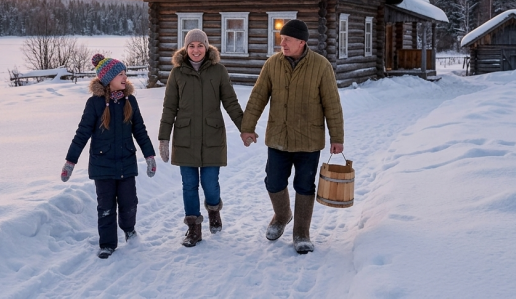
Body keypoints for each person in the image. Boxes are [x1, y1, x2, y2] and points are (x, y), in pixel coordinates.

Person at [240, 19, 344, 254]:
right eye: (281, 39)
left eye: (287, 39)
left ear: (301, 42)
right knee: (273, 181)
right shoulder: (272, 64)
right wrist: (248, 127)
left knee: (304, 185)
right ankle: (282, 214)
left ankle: (301, 233)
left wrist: (336, 137)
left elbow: (332, 105)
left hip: (309, 140)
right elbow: (258, 97)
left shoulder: (321, 66)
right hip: (278, 136)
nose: (282, 43)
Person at [61, 54, 157, 259]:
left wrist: (149, 156)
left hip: (126, 163)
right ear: (108, 78)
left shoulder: (130, 101)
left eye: (125, 73)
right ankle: (107, 243)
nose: (125, 77)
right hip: (102, 165)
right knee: (105, 207)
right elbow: (82, 134)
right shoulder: (94, 104)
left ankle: (129, 229)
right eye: (120, 74)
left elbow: (140, 130)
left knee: (129, 202)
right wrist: (70, 161)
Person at [158, 29, 244, 247]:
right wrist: (163, 138)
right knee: (189, 184)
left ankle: (214, 210)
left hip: (212, 135)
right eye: (191, 46)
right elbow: (169, 108)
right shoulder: (177, 74)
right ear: (185, 49)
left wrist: (245, 128)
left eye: (200, 46)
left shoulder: (219, 71)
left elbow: (231, 103)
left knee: (210, 183)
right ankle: (194, 228)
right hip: (185, 137)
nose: (196, 50)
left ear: (207, 47)